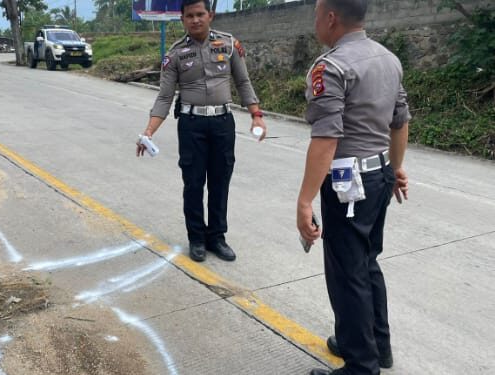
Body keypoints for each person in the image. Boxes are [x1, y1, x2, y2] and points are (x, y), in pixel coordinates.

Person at [296, 0, 411, 374]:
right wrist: (396, 168)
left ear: (331, 18)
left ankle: (361, 366)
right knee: (366, 261)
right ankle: (374, 346)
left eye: (316, 15)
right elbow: (400, 120)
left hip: (349, 182)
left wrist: (305, 200)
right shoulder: (389, 59)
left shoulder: (331, 66)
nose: (316, 23)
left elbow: (327, 137)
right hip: (379, 175)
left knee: (348, 273)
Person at [137, 0, 266, 262]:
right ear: (182, 19)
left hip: (222, 123)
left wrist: (256, 116)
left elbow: (243, 82)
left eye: (200, 14)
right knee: (194, 183)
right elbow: (164, 97)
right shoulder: (174, 54)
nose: (195, 20)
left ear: (211, 15)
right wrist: (149, 131)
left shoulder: (229, 45)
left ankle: (217, 237)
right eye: (190, 16)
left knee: (220, 182)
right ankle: (196, 238)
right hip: (191, 125)